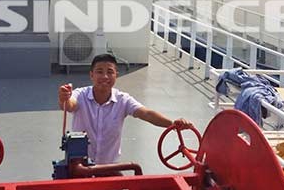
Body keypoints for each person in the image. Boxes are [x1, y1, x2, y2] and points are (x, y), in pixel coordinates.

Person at [57, 53, 193, 165]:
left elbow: (146, 114)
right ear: (91, 75)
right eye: (99, 72)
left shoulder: (123, 100)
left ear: (116, 75)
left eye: (110, 72)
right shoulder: (80, 94)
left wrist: (173, 124)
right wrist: (64, 98)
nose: (105, 76)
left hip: (109, 167)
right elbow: (69, 105)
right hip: (79, 165)